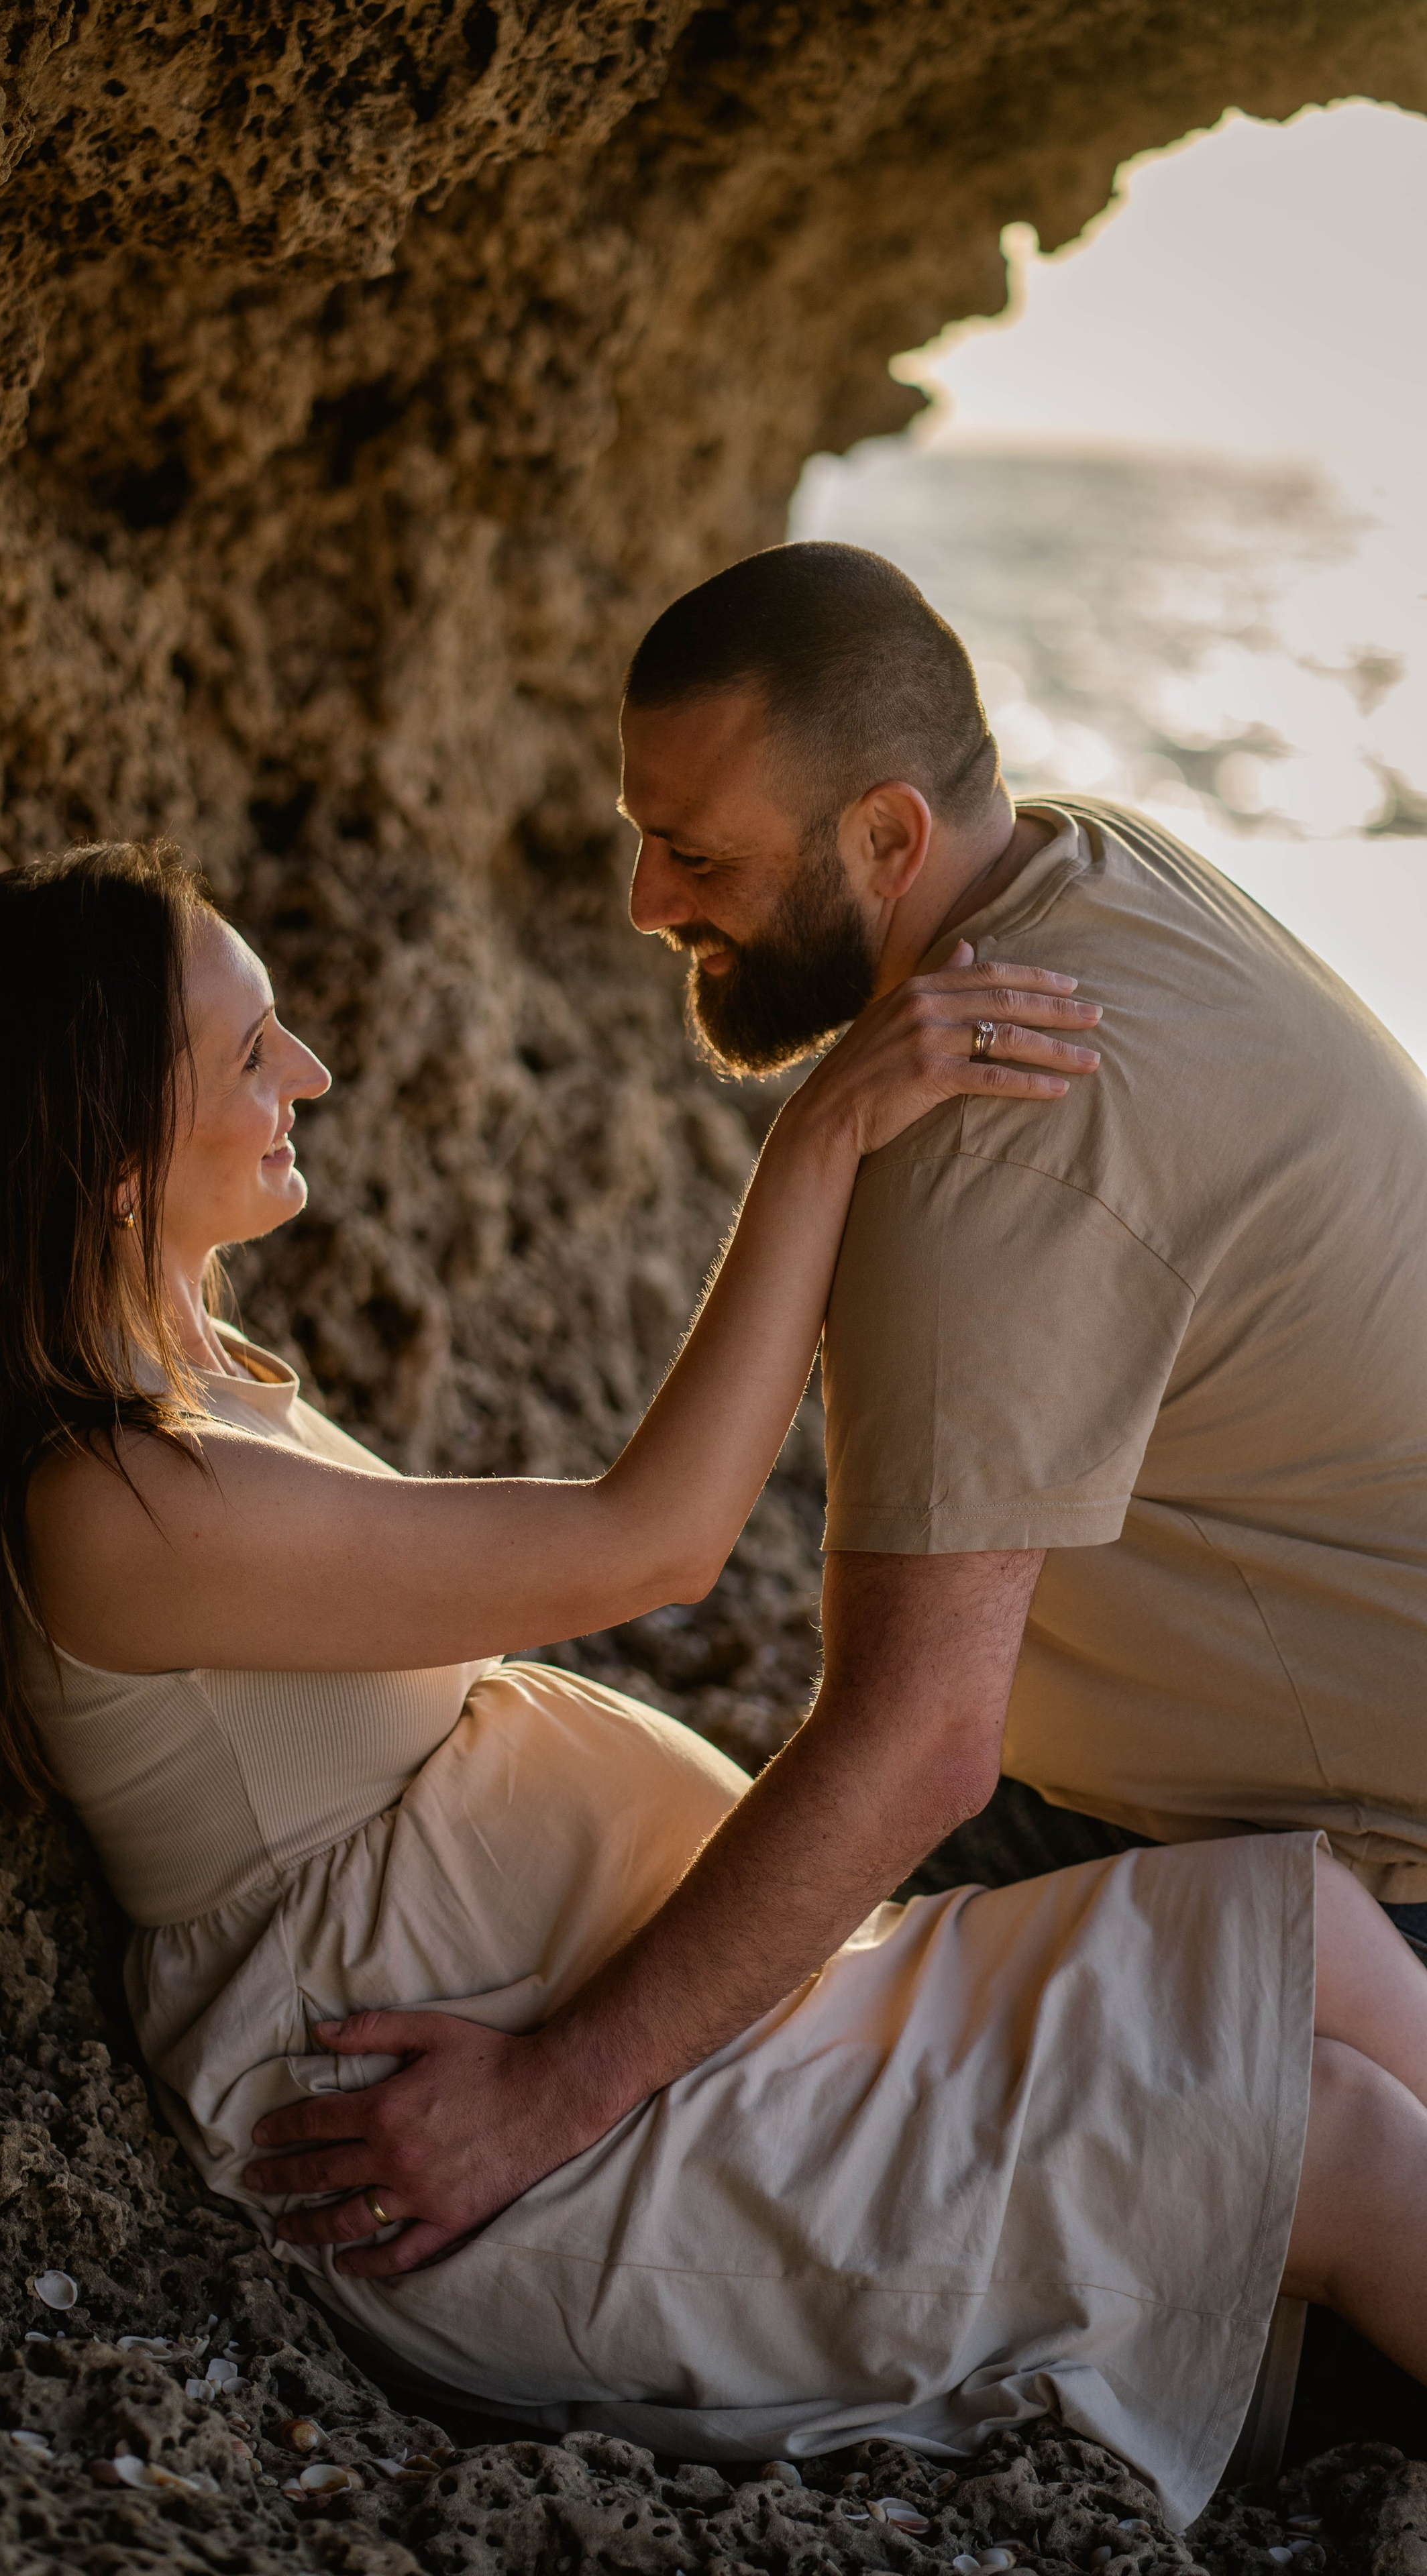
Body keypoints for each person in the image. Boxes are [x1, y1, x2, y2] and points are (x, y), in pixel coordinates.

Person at [0, 843, 1427, 2532]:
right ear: (110, 1161)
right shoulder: (107, 1508)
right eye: (252, 1052)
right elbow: (659, 1543)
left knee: (1313, 1927)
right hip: (522, 2146)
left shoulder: (203, 1389)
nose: (309, 1074)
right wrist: (822, 1130)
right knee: (1333, 2146)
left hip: (673, 2018)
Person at [248, 543, 1427, 2354]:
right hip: (1229, 1798)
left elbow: (915, 1746)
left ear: (889, 837)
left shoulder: (1002, 1138)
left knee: (716, 2153)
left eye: (699, 853)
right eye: (648, 836)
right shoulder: (1087, 865)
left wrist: (546, 2096)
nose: (646, 900)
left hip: (1378, 1892)